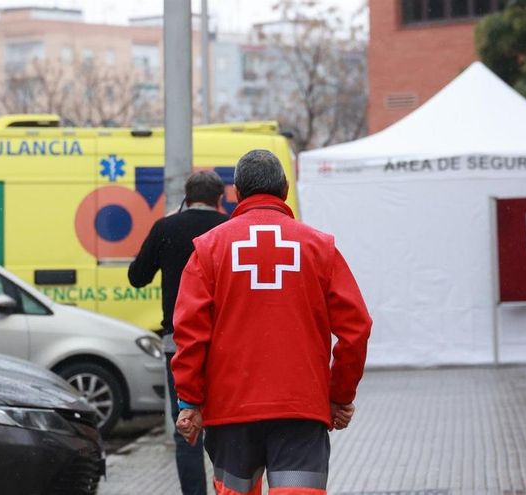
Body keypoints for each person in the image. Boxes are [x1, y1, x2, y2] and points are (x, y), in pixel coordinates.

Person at [171, 149, 372, 495]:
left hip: (230, 413)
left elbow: (189, 333)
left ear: (237, 192)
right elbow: (356, 329)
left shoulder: (209, 249)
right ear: (284, 190)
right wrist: (338, 395)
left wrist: (190, 401)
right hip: (301, 411)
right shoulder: (319, 247)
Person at [128, 170, 228, 495]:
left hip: (179, 345)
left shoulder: (166, 228)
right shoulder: (228, 230)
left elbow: (137, 276)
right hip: (225, 345)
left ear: (186, 198)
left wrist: (166, 226)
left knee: (187, 428)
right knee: (225, 426)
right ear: (220, 199)